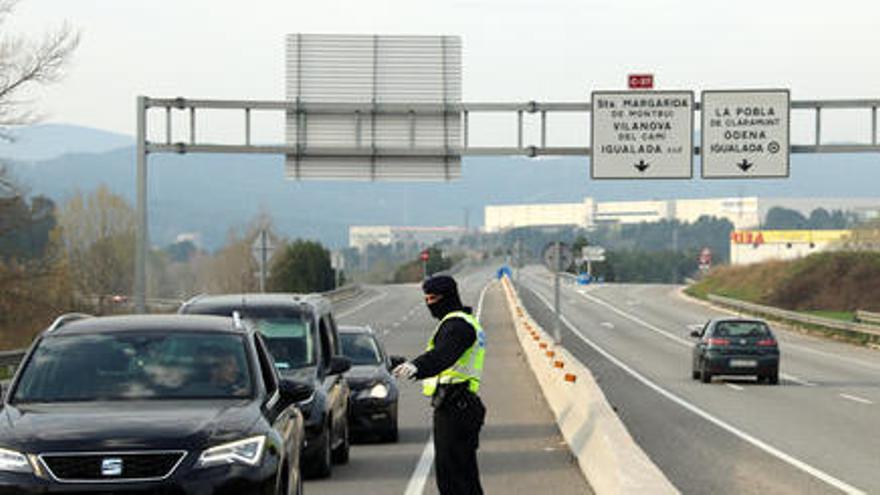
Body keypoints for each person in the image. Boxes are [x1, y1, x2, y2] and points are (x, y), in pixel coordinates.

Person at [393, 275, 487, 495]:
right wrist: (405, 364)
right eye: (426, 298)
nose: (429, 304)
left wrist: (418, 366)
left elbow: (444, 355)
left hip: (457, 406)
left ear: (448, 297)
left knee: (455, 479)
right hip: (455, 404)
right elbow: (439, 356)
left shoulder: (458, 326)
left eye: (433, 298)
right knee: (460, 474)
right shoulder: (458, 323)